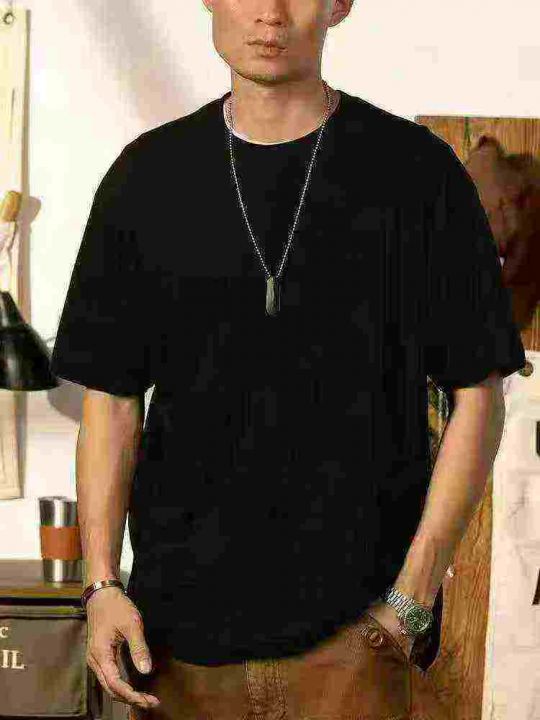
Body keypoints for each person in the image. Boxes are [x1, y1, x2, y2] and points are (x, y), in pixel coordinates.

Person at [50, 1, 526, 718]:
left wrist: (410, 600)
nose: (270, 13)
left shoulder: (417, 174)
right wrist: (101, 583)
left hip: (358, 642)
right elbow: (112, 401)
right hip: (177, 646)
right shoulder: (145, 178)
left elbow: (478, 394)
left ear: (340, 5)